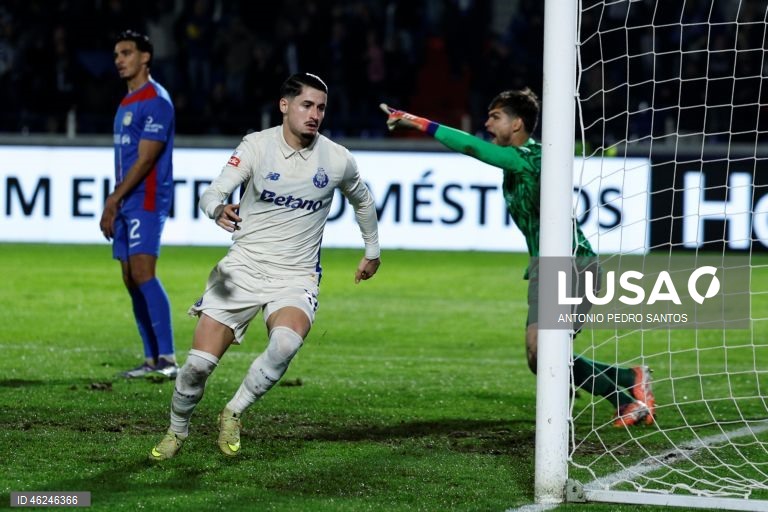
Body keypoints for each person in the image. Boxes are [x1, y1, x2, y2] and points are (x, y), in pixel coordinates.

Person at [380, 89, 655, 428]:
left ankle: (626, 399)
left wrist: (416, 122)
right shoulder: (519, 159)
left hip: (574, 265)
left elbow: (470, 146)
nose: (487, 123)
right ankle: (628, 378)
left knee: (544, 351)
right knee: (537, 356)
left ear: (518, 123)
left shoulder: (527, 158)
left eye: (495, 117)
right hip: (546, 268)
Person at [149, 72, 381, 460]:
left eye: (321, 107)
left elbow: (364, 201)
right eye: (307, 105)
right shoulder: (257, 146)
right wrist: (216, 209)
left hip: (295, 275)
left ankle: (233, 412)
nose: (315, 115)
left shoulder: (337, 159)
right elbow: (213, 192)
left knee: (286, 342)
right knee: (196, 368)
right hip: (241, 269)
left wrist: (372, 251)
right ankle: (177, 430)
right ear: (285, 105)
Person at [99, 30, 178, 380]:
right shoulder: (126, 102)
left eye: (126, 52)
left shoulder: (156, 100)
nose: (119, 59)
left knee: (144, 273)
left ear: (145, 57)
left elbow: (146, 160)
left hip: (145, 199)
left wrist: (113, 199)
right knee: (131, 278)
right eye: (116, 54)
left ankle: (168, 359)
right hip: (126, 200)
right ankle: (151, 359)